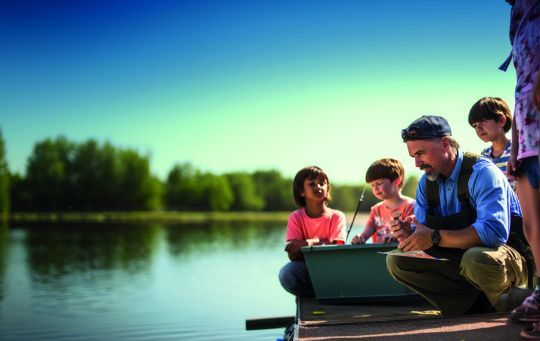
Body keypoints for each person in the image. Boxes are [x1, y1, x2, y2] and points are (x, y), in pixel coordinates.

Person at [387, 115, 527, 317]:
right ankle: (469, 307)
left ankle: (509, 302)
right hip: (464, 262)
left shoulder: (483, 173)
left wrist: (434, 236)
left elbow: (493, 234)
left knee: (475, 258)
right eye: (413, 157)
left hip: (507, 258)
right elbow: (424, 233)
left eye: (421, 153)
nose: (417, 163)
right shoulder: (425, 184)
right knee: (397, 261)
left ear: (444, 144)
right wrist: (410, 234)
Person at [499, 1, 540, 337]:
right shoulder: (518, 17)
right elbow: (519, 86)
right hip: (528, 137)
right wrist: (514, 145)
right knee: (532, 224)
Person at [278, 166, 346, 297]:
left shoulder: (337, 216)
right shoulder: (295, 217)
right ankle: (315, 296)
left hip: (333, 268)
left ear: (328, 188)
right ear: (301, 191)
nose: (318, 187)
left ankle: (331, 292)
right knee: (287, 274)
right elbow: (293, 256)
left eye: (322, 183)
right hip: (307, 267)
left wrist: (308, 243)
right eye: (312, 184)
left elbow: (337, 247)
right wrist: (299, 247)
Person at [351, 158, 415, 244]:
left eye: (379, 183)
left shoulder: (410, 206)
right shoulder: (376, 209)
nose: (375, 188)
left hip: (400, 255)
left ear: (397, 181)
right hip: (378, 255)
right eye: (372, 185)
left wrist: (395, 236)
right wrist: (360, 238)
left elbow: (412, 233)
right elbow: (367, 232)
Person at [468, 97, 516, 190]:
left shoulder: (517, 150)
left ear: (501, 121)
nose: (478, 128)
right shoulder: (483, 157)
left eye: (482, 122)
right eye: (475, 125)